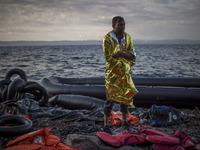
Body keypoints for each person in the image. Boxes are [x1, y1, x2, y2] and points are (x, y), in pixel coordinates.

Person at [102, 16, 138, 134]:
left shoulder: (127, 37)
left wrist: (120, 54)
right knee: (110, 99)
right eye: (120, 25)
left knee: (126, 98)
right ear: (113, 26)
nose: (122, 27)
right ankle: (106, 125)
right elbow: (109, 58)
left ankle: (125, 122)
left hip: (125, 73)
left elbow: (132, 55)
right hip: (112, 74)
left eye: (124, 24)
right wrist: (123, 60)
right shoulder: (107, 39)